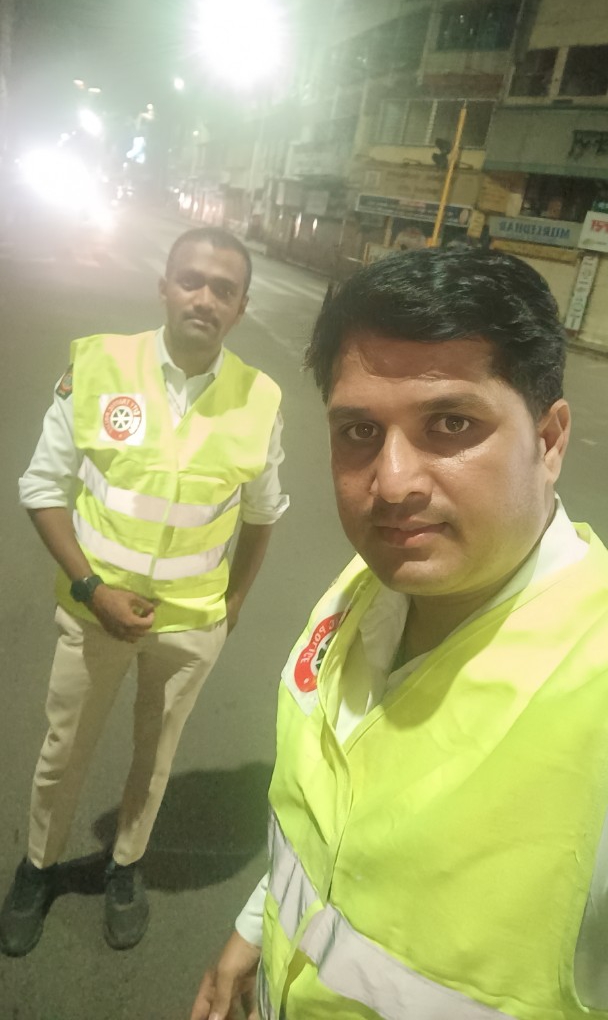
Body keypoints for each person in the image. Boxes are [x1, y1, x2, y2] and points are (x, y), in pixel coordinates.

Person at [191, 249, 608, 1020]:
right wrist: (256, 927)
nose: (392, 484)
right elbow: (331, 828)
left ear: (549, 441)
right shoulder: (367, 586)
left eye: (451, 424)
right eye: (359, 430)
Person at [0, 225, 288, 958]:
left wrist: (232, 607)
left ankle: (126, 864)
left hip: (191, 625)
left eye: (224, 289)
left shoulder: (259, 399)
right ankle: (37, 867)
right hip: (95, 612)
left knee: (156, 756)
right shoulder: (99, 366)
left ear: (241, 306)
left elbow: (263, 515)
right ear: (164, 286)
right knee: (65, 749)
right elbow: (42, 487)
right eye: (191, 280)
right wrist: (92, 589)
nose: (205, 298)